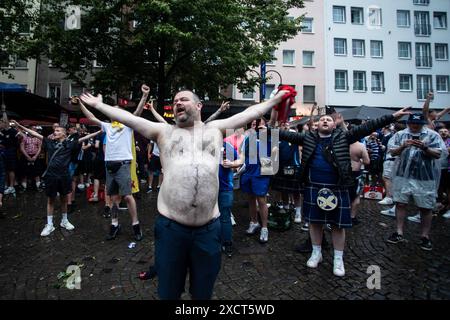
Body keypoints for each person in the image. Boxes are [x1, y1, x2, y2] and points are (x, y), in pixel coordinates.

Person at [80, 88, 288, 300]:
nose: (177, 102)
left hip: (208, 230)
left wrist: (276, 99)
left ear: (198, 106)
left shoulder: (215, 129)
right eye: (175, 100)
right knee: (169, 292)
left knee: (202, 293)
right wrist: (99, 106)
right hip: (172, 230)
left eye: (184, 99)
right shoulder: (163, 131)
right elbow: (128, 118)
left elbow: (248, 113)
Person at [270, 107, 411, 277]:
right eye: (322, 119)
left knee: (337, 225)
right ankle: (316, 253)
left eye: (329, 120)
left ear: (335, 125)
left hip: (337, 187)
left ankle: (338, 258)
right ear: (316, 125)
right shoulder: (308, 138)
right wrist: (269, 128)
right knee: (315, 222)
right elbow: (285, 135)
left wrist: (392, 117)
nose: (325, 121)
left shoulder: (343, 137)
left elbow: (368, 127)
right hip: (314, 186)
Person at [11, 120, 100, 236]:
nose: (55, 132)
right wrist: (20, 126)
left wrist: (99, 131)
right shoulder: (49, 142)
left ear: (64, 133)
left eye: (57, 130)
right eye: (54, 130)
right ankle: (49, 224)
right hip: (51, 175)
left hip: (64, 175)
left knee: (64, 199)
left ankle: (64, 220)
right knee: (50, 200)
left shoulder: (69, 144)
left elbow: (85, 138)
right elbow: (34, 134)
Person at [386, 113, 447, 251]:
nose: (415, 126)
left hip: (424, 177)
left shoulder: (432, 135)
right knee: (400, 203)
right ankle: (399, 232)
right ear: (408, 123)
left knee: (426, 207)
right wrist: (403, 146)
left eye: (418, 124)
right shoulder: (400, 135)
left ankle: (425, 236)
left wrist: (425, 148)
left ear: (423, 124)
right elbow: (392, 152)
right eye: (413, 123)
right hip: (402, 175)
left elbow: (439, 154)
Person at [240, 118, 273, 244]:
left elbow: (273, 156)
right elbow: (243, 154)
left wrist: (267, 171)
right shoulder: (248, 138)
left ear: (264, 125)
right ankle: (254, 222)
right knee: (250, 199)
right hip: (249, 172)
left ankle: (264, 228)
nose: (256, 125)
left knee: (261, 200)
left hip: (261, 173)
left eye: (259, 123)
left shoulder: (269, 137)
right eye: (253, 123)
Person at [349, 141, 370, 225]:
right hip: (355, 173)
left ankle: (340, 215)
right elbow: (367, 161)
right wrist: (360, 160)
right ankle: (352, 217)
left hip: (342, 173)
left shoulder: (340, 143)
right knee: (356, 197)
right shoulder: (360, 146)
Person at [19, 125, 43, 191]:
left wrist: (35, 156)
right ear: (29, 130)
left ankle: (38, 186)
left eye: (35, 129)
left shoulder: (38, 138)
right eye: (33, 129)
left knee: (37, 172)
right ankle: (24, 187)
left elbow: (40, 147)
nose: (34, 130)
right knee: (24, 172)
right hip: (26, 156)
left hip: (35, 156)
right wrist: (27, 156)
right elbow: (22, 147)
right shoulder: (24, 137)